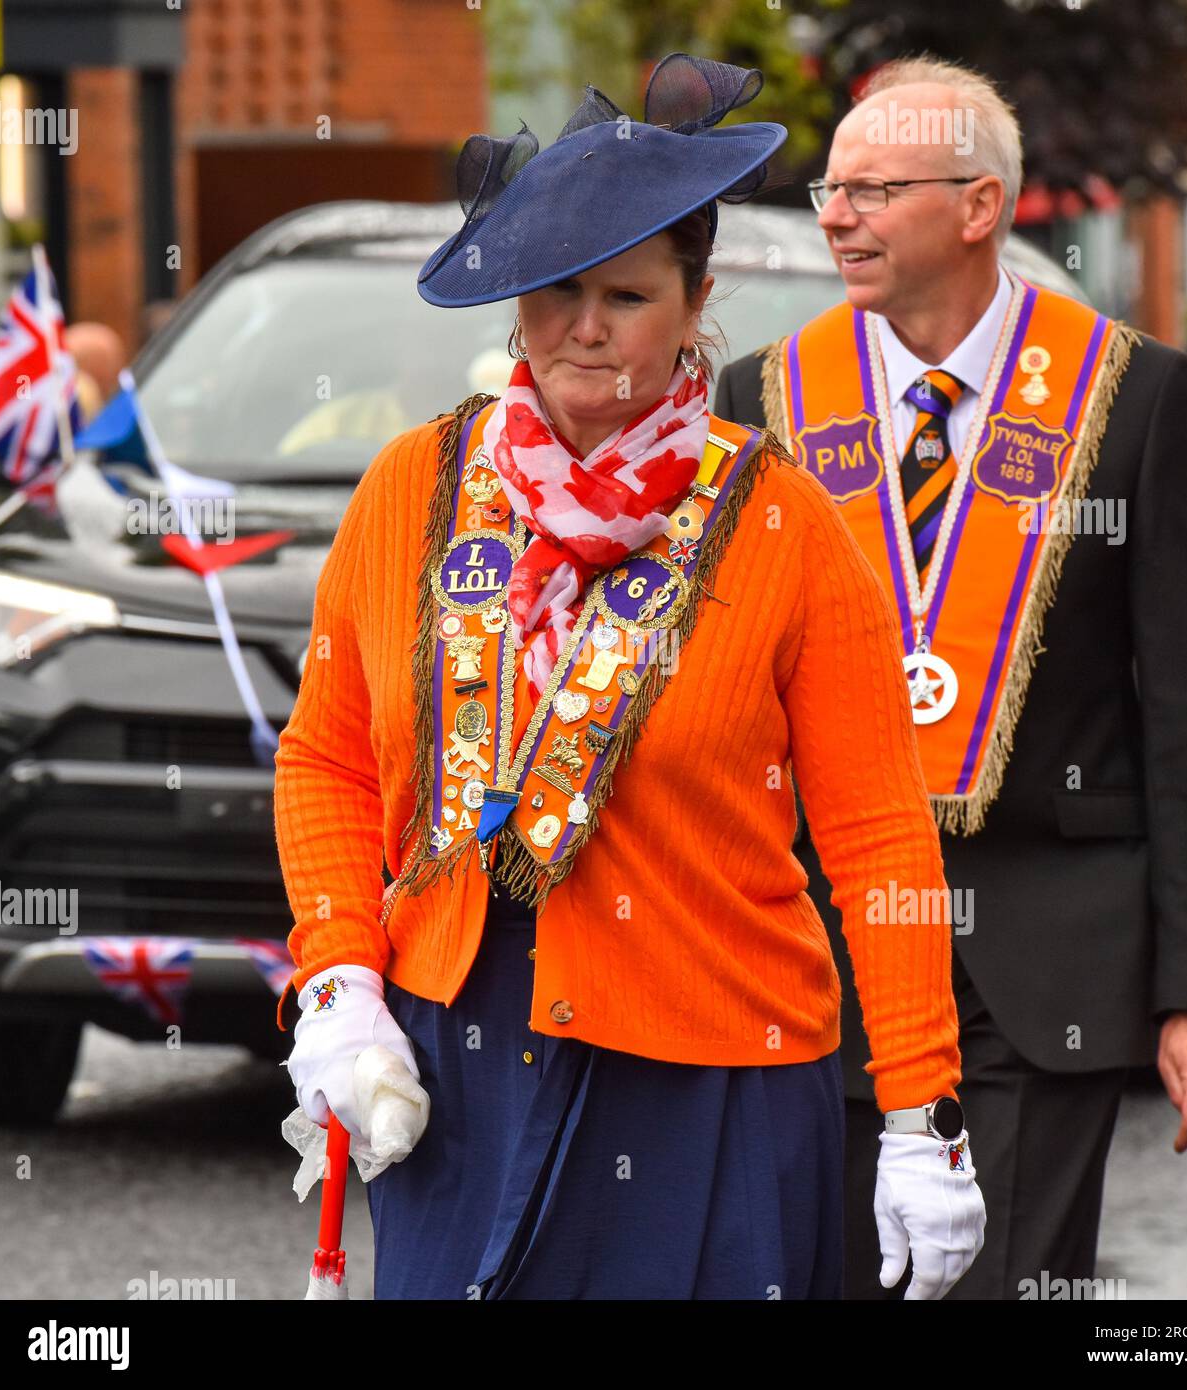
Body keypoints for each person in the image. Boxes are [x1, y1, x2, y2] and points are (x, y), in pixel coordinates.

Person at [271, 53, 985, 1301]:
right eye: (552, 295)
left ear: (697, 300)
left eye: (626, 294)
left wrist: (921, 1110)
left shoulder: (784, 524)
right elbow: (326, 757)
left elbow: (879, 839)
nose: (583, 331)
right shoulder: (407, 494)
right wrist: (337, 977)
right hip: (456, 1051)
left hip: (715, 1068)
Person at [715, 55, 1187, 1300]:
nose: (834, 215)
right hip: (824, 955)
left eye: (870, 189)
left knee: (999, 1287)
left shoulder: (1134, 396)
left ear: (976, 206)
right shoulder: (766, 402)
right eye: (828, 190)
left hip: (1047, 962)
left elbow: (1186, 710)